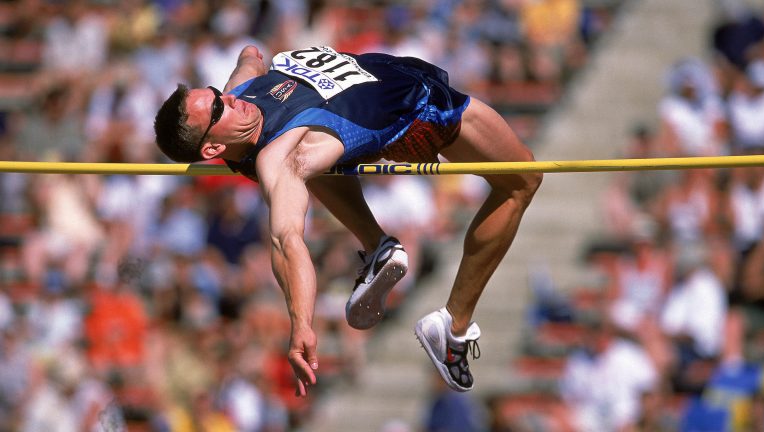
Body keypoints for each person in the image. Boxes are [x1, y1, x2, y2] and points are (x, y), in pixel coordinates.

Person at [154, 45, 541, 396]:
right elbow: (287, 241)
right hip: (417, 110)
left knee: (317, 163)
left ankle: (379, 248)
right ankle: (452, 326)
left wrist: (246, 66)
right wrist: (302, 323)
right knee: (521, 182)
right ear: (213, 147)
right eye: (219, 109)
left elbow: (249, 56)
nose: (229, 101)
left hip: (382, 72)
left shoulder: (240, 93)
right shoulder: (281, 159)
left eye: (217, 93)